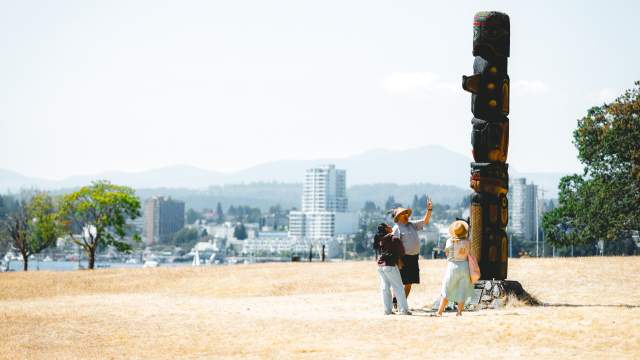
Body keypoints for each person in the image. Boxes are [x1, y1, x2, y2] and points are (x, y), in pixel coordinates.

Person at [391, 199, 433, 303]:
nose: (406, 215)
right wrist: (398, 260)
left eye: (406, 213)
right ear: (398, 217)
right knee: (399, 283)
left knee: (409, 283)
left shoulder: (412, 224)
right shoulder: (397, 228)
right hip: (403, 259)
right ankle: (395, 300)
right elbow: (394, 246)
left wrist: (429, 210)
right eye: (403, 214)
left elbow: (425, 221)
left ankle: (402, 303)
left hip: (414, 258)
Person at [436, 220, 475, 317]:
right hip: (465, 266)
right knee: (462, 290)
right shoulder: (468, 242)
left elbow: (446, 253)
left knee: (446, 289)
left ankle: (440, 311)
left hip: (453, 266)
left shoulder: (449, 241)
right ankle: (459, 312)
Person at [373, 223, 411, 315]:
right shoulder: (394, 239)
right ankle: (403, 310)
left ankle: (387, 310)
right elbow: (402, 252)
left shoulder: (380, 239)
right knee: (398, 287)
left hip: (381, 265)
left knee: (385, 288)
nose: (391, 226)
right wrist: (399, 260)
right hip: (390, 265)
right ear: (386, 229)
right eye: (389, 226)